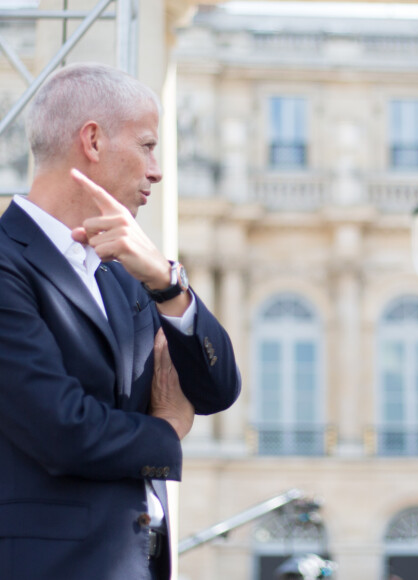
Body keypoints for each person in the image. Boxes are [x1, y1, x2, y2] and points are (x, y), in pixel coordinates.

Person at [0, 62, 241, 580]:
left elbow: (216, 389)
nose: (157, 170)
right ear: (92, 140)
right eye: (148, 146)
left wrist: (169, 285)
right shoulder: (5, 263)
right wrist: (169, 429)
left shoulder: (126, 272)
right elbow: (62, 429)